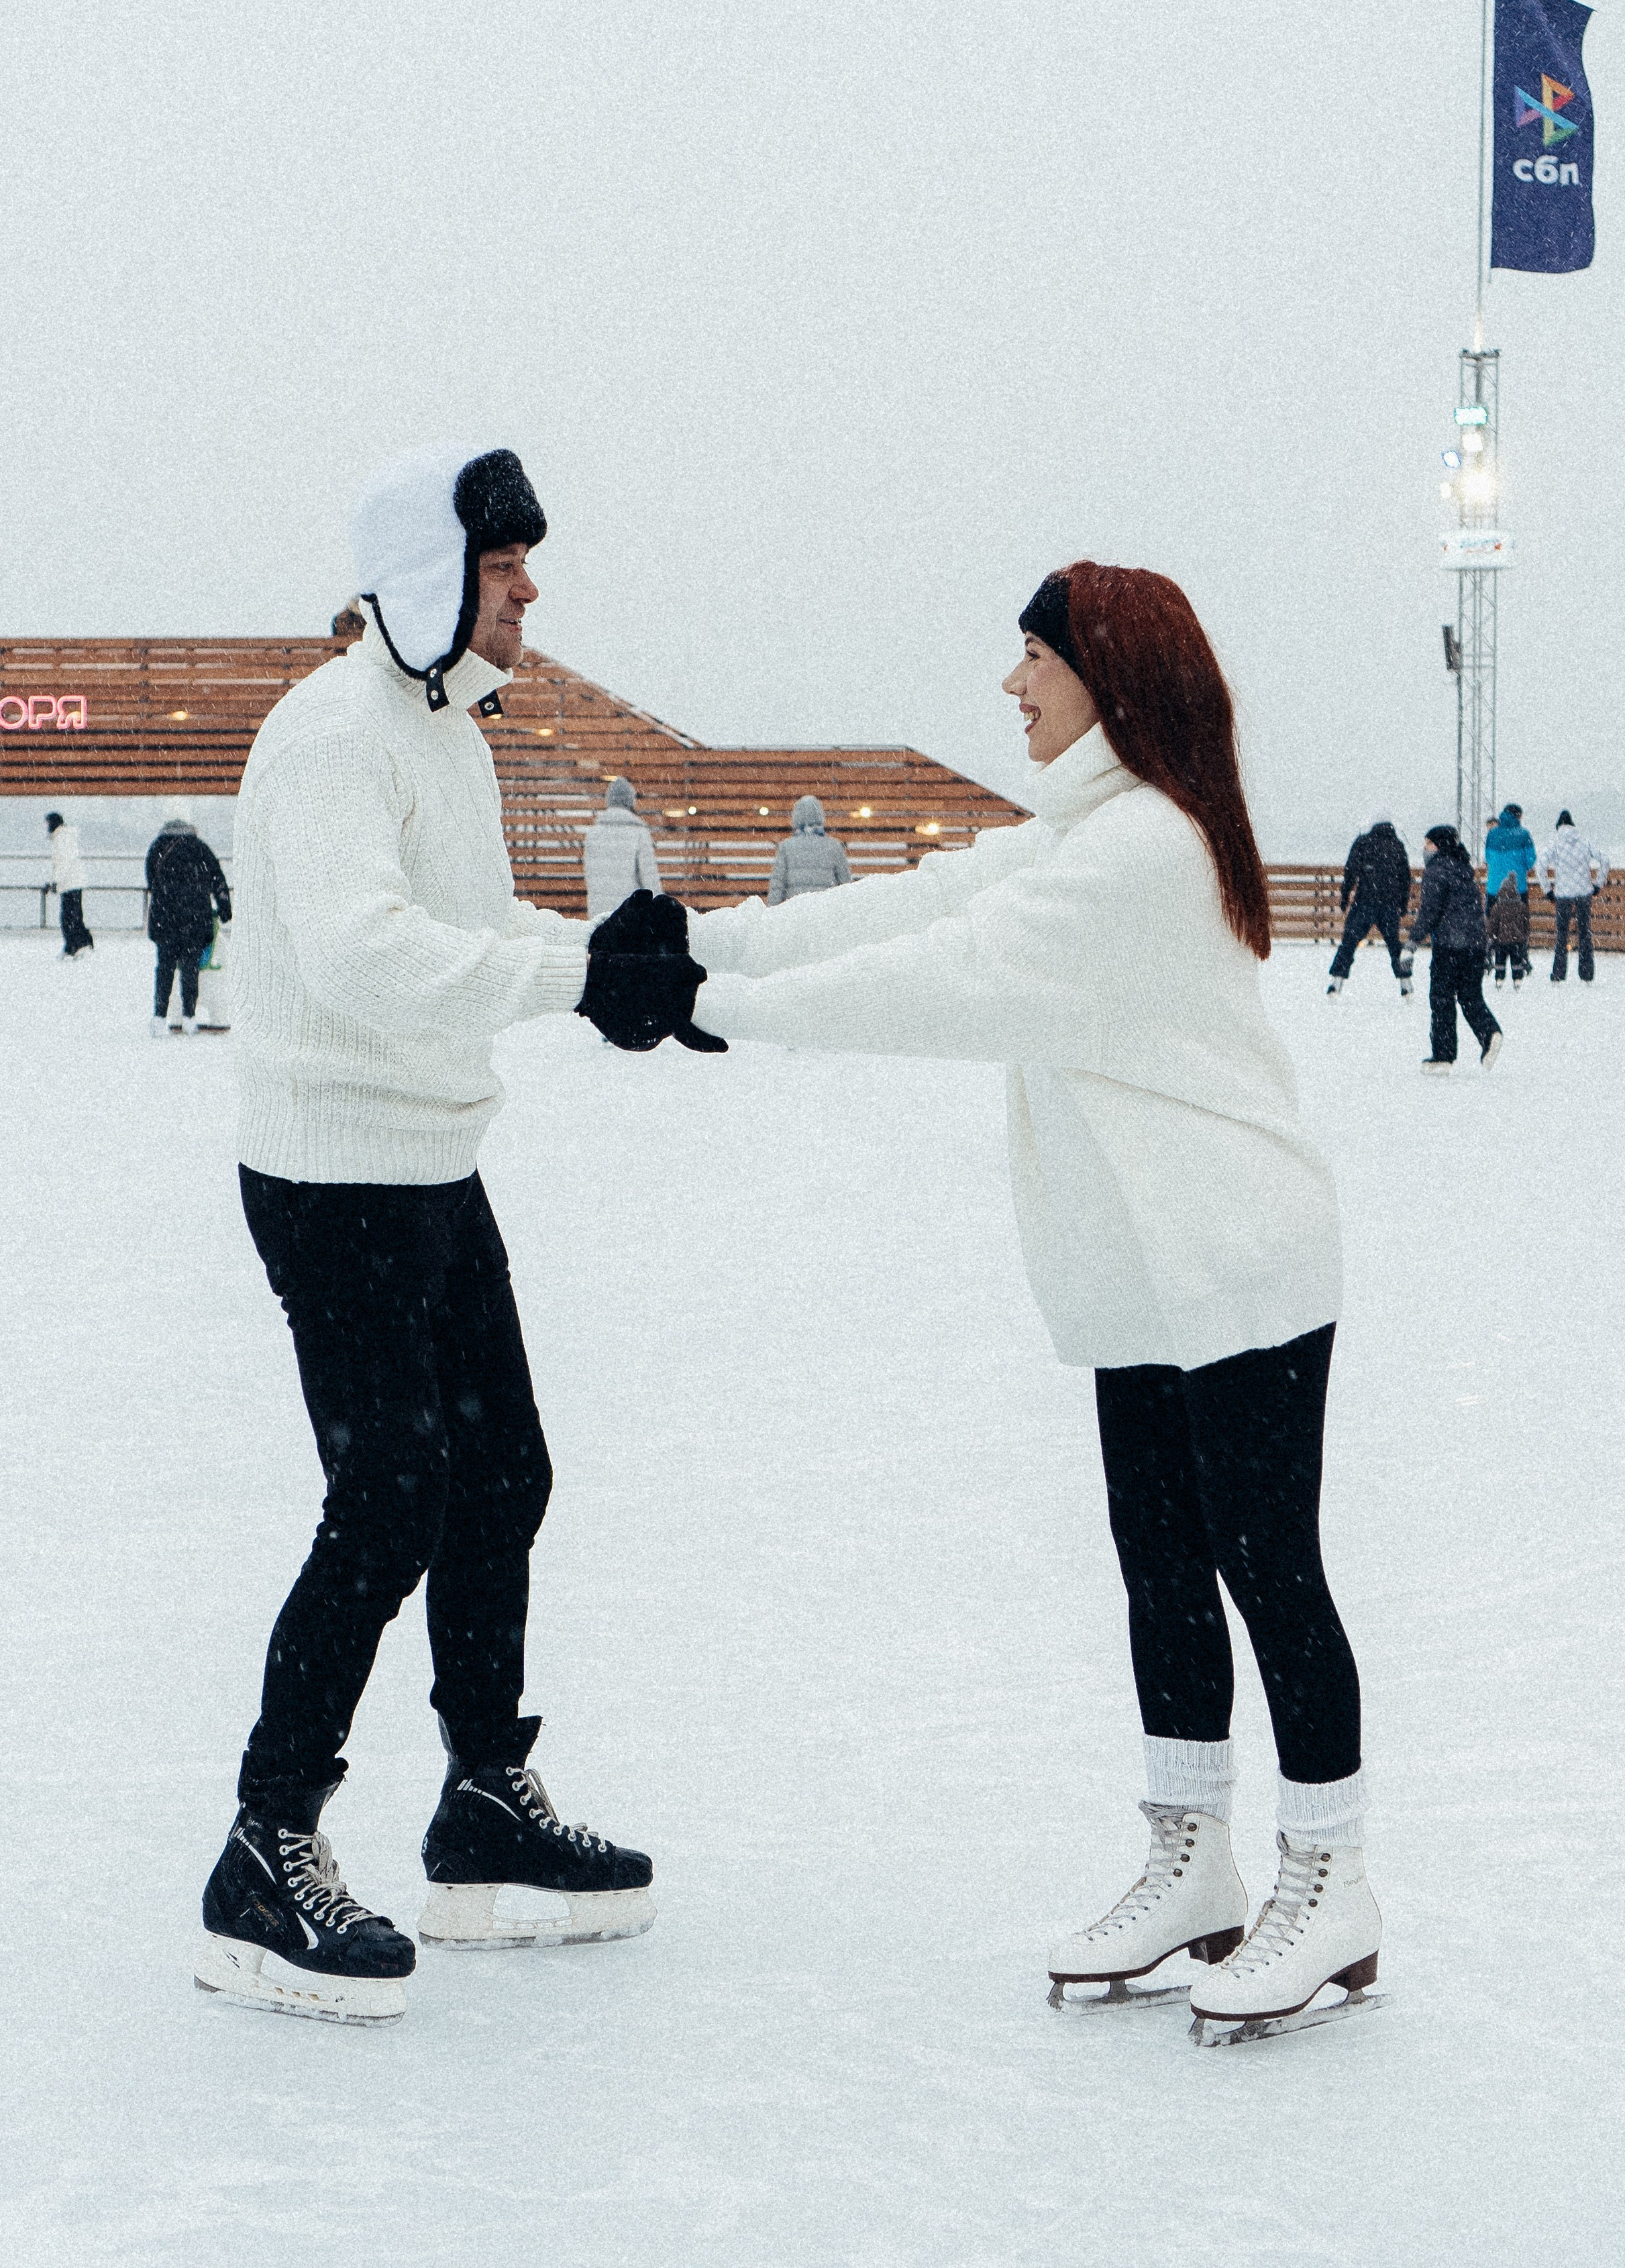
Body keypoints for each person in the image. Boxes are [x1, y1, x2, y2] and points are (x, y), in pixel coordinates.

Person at [611, 561, 1379, 2039]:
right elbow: (915, 905)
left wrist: (707, 1005)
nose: (1009, 686)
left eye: (1030, 658)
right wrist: (699, 941)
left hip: (1236, 1259)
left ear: (1108, 675)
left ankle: (1329, 1873)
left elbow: (949, 982)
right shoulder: (1084, 831)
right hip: (1143, 1274)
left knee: (1263, 1566)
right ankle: (1189, 1857)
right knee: (1159, 1557)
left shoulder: (1143, 850)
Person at [198, 443, 711, 2026]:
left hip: (428, 1161)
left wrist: (617, 968)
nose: (531, 595)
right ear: (432, 582)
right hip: (327, 1167)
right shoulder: (326, 742)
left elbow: (472, 938)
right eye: (506, 573)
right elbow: (363, 957)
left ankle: (481, 1799)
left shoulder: (444, 732)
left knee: (502, 1468)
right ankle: (262, 1847)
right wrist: (570, 981)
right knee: (391, 1490)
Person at [1406, 825, 1500, 1073]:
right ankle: (1490, 1033)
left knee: (1442, 998)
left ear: (1438, 845)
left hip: (1450, 946)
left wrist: (1412, 942)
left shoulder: (1436, 872)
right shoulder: (1463, 870)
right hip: (1474, 945)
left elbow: (1429, 912)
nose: (1424, 849)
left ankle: (1443, 1056)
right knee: (1470, 997)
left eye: (1428, 844)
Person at [145, 817, 231, 1034]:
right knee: (190, 968)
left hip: (165, 918)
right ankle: (189, 1017)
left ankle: (159, 1018)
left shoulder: (157, 847)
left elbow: (151, 880)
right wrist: (224, 908)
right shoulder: (200, 847)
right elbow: (217, 879)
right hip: (195, 917)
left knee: (164, 968)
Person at [1326, 818, 1411, 996]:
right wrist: (1402, 904)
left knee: (1349, 942)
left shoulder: (1364, 842)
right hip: (1389, 903)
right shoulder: (1397, 845)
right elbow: (1405, 877)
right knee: (1394, 945)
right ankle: (1405, 984)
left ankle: (1336, 982)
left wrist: (1344, 896)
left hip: (1365, 901)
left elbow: (1350, 871)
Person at [1540, 810, 1610, 984]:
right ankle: (1586, 974)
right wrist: (1598, 884)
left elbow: (1540, 865)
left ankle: (1558, 973)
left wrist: (1548, 890)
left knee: (1561, 935)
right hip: (1584, 893)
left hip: (1563, 895)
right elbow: (1605, 861)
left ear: (1558, 826)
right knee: (1584, 933)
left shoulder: (1555, 844)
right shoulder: (1585, 842)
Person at [583, 777, 662, 922]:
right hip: (630, 911)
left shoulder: (593, 833)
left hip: (598, 911)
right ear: (631, 801)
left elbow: (590, 875)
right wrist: (659, 907)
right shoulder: (639, 833)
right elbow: (649, 877)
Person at [767, 796, 853, 906]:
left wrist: (771, 910)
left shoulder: (786, 846)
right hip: (825, 910)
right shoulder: (834, 846)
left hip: (795, 909)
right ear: (820, 816)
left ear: (796, 817)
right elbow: (845, 883)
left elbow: (778, 884)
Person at [46, 812, 95, 957]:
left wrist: (55, 881)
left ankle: (77, 946)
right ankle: (78, 944)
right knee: (73, 916)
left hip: (70, 883)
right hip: (72, 882)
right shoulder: (64, 837)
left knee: (70, 917)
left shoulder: (62, 838)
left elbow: (63, 863)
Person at [1483, 802, 1536, 902]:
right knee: (1519, 916)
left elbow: (1488, 858)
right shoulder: (1524, 834)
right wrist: (1522, 867)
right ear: (1518, 816)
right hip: (1518, 887)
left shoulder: (1492, 834)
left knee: (1492, 917)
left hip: (1494, 888)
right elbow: (1531, 859)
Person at [1485, 872, 1529, 989]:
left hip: (1501, 941)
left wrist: (1491, 935)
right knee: (1516, 961)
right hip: (1517, 941)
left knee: (1500, 961)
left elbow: (1493, 924)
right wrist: (1525, 935)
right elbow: (1525, 923)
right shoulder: (1521, 906)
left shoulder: (1497, 907)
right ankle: (1518, 978)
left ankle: (1499, 978)